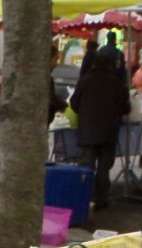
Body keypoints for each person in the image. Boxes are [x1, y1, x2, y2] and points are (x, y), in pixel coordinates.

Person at [70, 55, 131, 211]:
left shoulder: (85, 81)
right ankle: (101, 200)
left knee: (87, 167)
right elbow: (126, 108)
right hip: (109, 132)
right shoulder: (118, 84)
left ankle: (84, 198)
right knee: (104, 168)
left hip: (88, 131)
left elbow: (74, 104)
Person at [49, 45, 68, 127]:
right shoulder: (46, 79)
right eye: (56, 59)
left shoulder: (48, 78)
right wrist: (63, 105)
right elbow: (50, 98)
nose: (56, 64)